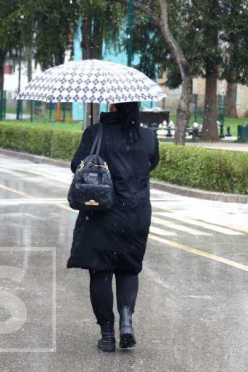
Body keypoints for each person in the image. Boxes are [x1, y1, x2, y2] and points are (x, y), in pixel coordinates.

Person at [67, 102, 159, 352]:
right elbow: (151, 165)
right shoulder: (149, 137)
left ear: (114, 104)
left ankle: (107, 334)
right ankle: (126, 323)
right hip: (137, 213)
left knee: (100, 272)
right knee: (128, 270)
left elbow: (78, 167)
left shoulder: (95, 133)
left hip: (101, 212)